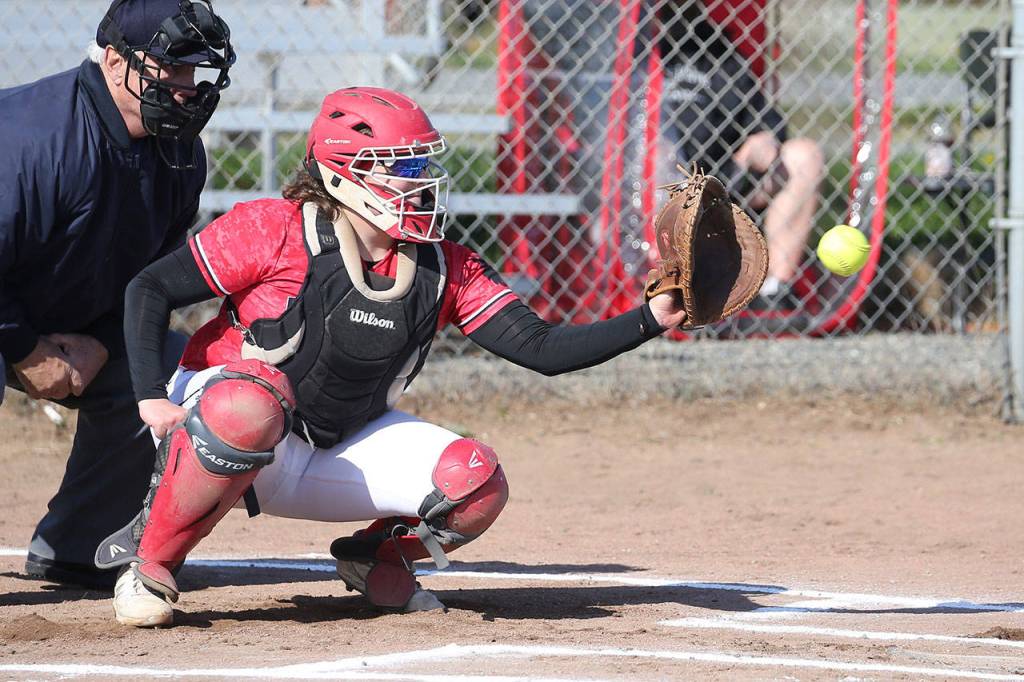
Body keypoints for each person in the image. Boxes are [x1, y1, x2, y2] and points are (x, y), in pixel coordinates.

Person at [93, 86, 687, 627]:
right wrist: (150, 397)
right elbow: (151, 289)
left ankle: (375, 558)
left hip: (335, 440)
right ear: (342, 175)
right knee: (251, 404)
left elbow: (540, 349)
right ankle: (152, 564)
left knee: (476, 482)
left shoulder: (443, 263)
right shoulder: (275, 227)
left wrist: (649, 319)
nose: (421, 179)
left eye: (423, 163)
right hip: (220, 427)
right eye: (401, 166)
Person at [0, 0, 234, 589]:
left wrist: (105, 342)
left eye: (193, 72)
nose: (185, 88)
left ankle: (80, 545)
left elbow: (151, 281)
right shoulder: (28, 138)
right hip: (12, 321)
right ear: (112, 60)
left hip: (56, 322)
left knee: (173, 367)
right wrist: (27, 350)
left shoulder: (180, 152)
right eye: (170, 69)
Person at [657, 0, 826, 306]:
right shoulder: (627, 49)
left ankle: (773, 290)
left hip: (724, 180)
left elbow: (765, 120)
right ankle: (662, 285)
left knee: (804, 156)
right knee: (657, 152)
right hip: (656, 184)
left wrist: (762, 141)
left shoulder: (713, 51)